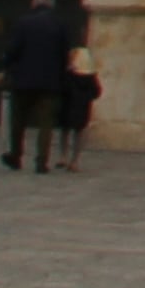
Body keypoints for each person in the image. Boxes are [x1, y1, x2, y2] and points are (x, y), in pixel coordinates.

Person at [0, 0, 73, 171]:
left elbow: (13, 50)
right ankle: (41, 161)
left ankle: (16, 156)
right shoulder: (60, 25)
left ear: (34, 4)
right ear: (52, 6)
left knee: (18, 121)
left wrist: (5, 69)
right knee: (46, 124)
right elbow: (66, 55)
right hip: (50, 82)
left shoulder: (23, 23)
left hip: (23, 80)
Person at [52, 18, 100, 172]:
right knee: (75, 130)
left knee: (67, 129)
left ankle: (65, 157)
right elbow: (96, 90)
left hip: (71, 98)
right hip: (79, 101)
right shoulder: (87, 63)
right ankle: (72, 160)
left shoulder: (72, 59)